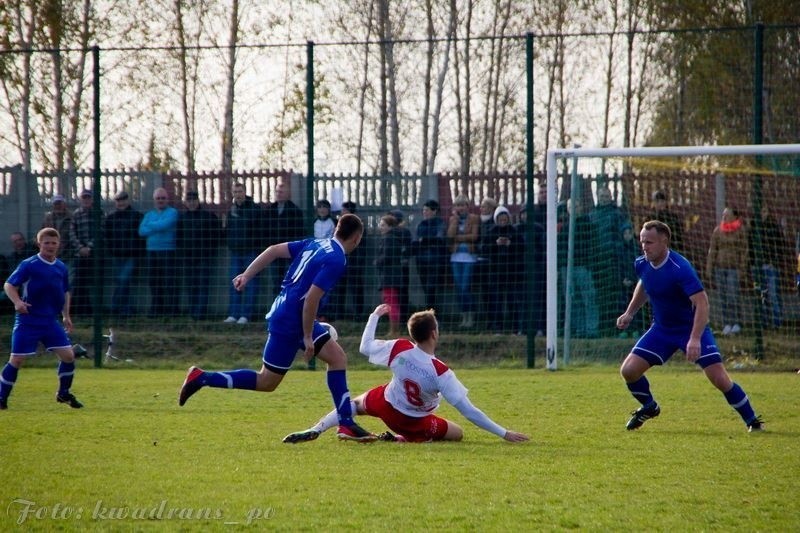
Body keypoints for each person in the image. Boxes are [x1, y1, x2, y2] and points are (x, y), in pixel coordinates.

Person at [178, 214, 376, 442]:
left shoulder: (316, 243)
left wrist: (246, 274)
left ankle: (346, 423)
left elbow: (273, 250)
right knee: (267, 382)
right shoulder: (337, 259)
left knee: (337, 358)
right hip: (291, 321)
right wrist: (308, 336)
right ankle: (202, 377)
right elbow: (311, 299)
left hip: (290, 313)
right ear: (357, 238)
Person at [282, 304, 530, 444]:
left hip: (386, 403)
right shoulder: (441, 371)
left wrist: (375, 316)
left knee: (353, 404)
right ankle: (399, 438)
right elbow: (469, 411)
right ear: (434, 334)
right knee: (458, 432)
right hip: (414, 421)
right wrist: (504, 433)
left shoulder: (399, 347)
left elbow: (364, 347)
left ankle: (318, 427)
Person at [616, 220, 763, 433]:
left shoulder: (680, 268)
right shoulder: (642, 263)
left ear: (664, 241)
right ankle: (649, 407)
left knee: (720, 379)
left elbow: (702, 303)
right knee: (629, 371)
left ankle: (753, 421)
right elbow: (644, 284)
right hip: (663, 330)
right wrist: (630, 312)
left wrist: (694, 338)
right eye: (642, 242)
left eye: (649, 242)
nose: (644, 246)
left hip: (692, 328)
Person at [1, 228, 83, 410]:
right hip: (28, 320)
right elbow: (9, 284)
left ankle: (63, 394)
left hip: (49, 321)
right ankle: (1, 398)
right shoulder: (29, 264)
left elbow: (64, 292)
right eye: (46, 243)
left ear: (58, 245)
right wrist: (17, 302)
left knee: (69, 356)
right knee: (17, 360)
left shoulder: (61, 267)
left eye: (54, 243)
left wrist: (66, 315)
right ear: (39, 244)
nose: (50, 246)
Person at [177, 190, 222, 320]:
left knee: (202, 285)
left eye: (193, 200)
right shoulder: (182, 218)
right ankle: (192, 312)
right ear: (185, 202)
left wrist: (210, 252)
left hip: (204, 258)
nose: (191, 203)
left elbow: (216, 235)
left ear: (198, 201)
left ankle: (200, 313)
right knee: (191, 286)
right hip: (188, 258)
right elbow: (179, 237)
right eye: (189, 200)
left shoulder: (208, 217)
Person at [224, 182, 264, 324]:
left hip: (251, 252)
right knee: (234, 283)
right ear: (232, 193)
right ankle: (233, 314)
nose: (238, 194)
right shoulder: (231, 210)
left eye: (240, 191)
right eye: (235, 192)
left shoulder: (254, 209)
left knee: (251, 283)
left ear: (245, 192)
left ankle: (246, 315)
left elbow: (260, 231)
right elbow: (228, 229)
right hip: (235, 252)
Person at [706, 207, 748, 335]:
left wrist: (742, 269)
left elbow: (744, 251)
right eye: (723, 215)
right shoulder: (718, 231)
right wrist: (709, 268)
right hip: (720, 268)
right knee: (722, 296)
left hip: (733, 269)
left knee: (732, 296)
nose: (724, 217)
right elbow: (712, 250)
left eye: (727, 215)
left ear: (735, 217)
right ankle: (726, 323)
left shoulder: (740, 231)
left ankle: (736, 323)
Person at [138, 187, 178, 318]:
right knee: (154, 282)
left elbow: (165, 225)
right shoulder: (149, 215)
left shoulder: (173, 212)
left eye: (163, 198)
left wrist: (152, 226)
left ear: (167, 199)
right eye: (158, 198)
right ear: (154, 200)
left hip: (168, 251)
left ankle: (172, 310)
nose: (160, 201)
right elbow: (141, 231)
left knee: (169, 281)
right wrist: (158, 225)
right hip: (151, 252)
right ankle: (156, 309)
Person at [104, 190, 144, 317]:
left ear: (128, 200)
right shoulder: (111, 218)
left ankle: (116, 307)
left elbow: (141, 237)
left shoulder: (136, 216)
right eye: (118, 200)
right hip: (117, 255)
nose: (120, 202)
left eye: (123, 200)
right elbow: (107, 236)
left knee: (123, 279)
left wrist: (138, 251)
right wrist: (112, 249)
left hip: (131, 255)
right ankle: (125, 309)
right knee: (121, 281)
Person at [263, 180, 305, 299]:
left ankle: (288, 307)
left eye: (281, 192)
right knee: (275, 282)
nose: (279, 194)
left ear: (288, 193)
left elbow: (299, 232)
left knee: (289, 281)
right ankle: (276, 308)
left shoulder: (295, 211)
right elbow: (265, 231)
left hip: (289, 252)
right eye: (277, 191)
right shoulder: (269, 211)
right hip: (274, 253)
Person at [485, 206, 524, 333]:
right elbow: (484, 250)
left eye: (504, 219)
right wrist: (495, 245)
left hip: (512, 272)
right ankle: (497, 327)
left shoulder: (514, 231)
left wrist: (510, 245)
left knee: (513, 301)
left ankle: (515, 328)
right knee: (496, 301)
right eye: (500, 219)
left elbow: (522, 248)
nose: (502, 221)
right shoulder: (491, 232)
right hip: (495, 272)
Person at [748, 206, 789, 329]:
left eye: (765, 211)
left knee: (773, 294)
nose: (762, 214)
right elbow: (750, 246)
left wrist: (775, 262)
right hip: (758, 267)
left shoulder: (774, 227)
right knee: (761, 295)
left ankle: (777, 323)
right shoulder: (753, 227)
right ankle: (764, 322)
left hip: (771, 266)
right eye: (760, 211)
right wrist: (752, 263)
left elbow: (781, 246)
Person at [69, 189, 104, 317]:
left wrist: (89, 247)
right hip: (80, 254)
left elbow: (100, 231)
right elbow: (72, 233)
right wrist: (80, 248)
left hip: (95, 254)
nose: (86, 200)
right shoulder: (76, 214)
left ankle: (96, 311)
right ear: (80, 199)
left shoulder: (99, 213)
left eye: (88, 197)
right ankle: (81, 310)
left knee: (96, 281)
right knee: (79, 282)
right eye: (84, 198)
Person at [447, 194, 480, 329]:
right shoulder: (452, 219)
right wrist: (455, 220)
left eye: (462, 205)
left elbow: (474, 236)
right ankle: (463, 316)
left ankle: (470, 317)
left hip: (469, 258)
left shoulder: (474, 218)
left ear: (467, 206)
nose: (460, 208)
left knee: (465, 287)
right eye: (457, 205)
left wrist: (459, 238)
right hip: (455, 258)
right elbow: (450, 236)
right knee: (459, 288)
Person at [332, 200, 367, 320]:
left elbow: (362, 246)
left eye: (344, 210)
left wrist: (359, 261)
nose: (342, 212)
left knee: (356, 288)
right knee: (339, 288)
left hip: (354, 262)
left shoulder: (359, 227)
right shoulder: (338, 225)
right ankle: (339, 314)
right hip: (341, 261)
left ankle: (358, 314)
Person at [411, 199, 447, 312]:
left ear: (434, 211)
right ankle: (430, 314)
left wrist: (424, 240)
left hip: (435, 261)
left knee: (432, 288)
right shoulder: (420, 225)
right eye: (423, 210)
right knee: (426, 289)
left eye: (427, 210)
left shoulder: (440, 223)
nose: (424, 212)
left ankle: (433, 314)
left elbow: (439, 240)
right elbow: (416, 242)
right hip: (421, 261)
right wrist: (426, 241)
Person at [374, 214, 406, 337]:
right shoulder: (394, 238)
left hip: (389, 276)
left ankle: (394, 331)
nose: (380, 227)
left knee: (391, 302)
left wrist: (377, 262)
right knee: (392, 302)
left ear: (390, 226)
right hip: (392, 275)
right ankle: (394, 329)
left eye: (383, 225)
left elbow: (387, 256)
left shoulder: (389, 239)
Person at [41, 194, 73, 261]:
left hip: (68, 254)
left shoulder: (71, 217)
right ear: (53, 205)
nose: (58, 206)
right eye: (56, 204)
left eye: (59, 203)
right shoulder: (48, 219)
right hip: (51, 254)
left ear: (64, 204)